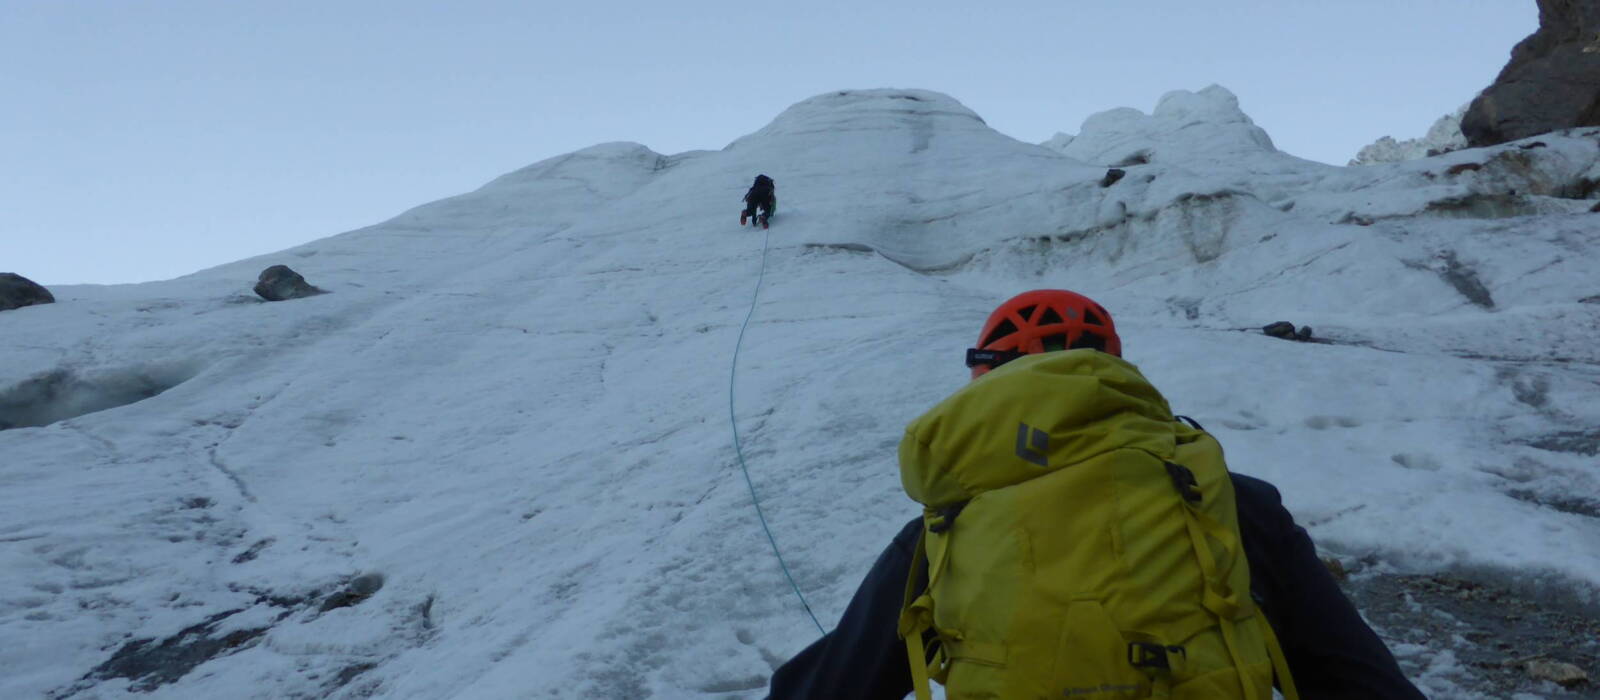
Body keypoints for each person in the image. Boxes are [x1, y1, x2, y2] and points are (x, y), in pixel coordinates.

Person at [767, 289, 1425, 700]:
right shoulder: (1230, 502)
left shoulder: (945, 527)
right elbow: (1358, 679)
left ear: (984, 379)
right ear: (1111, 370)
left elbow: (834, 686)